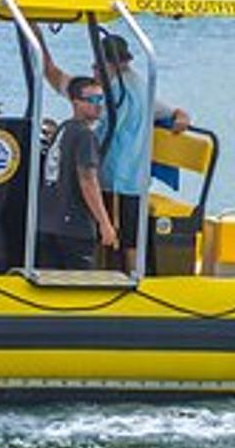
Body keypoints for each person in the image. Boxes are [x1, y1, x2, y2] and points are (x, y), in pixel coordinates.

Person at [38, 33, 188, 272]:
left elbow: (94, 128)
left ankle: (126, 281)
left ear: (114, 64)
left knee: (119, 237)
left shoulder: (114, 91)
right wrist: (180, 114)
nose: (95, 70)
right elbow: (168, 111)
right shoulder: (133, 84)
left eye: (98, 66)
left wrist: (64, 134)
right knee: (124, 237)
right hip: (129, 177)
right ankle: (125, 275)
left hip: (118, 178)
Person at [37, 77, 120, 269]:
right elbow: (88, 181)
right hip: (74, 227)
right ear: (76, 103)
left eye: (101, 99)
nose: (98, 105)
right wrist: (105, 224)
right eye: (91, 100)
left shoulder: (64, 129)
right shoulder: (85, 136)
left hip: (49, 222)